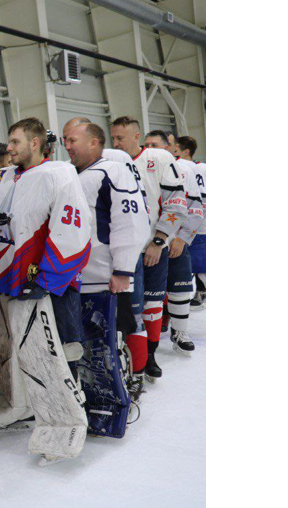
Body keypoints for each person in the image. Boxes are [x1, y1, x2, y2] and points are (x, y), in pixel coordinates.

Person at [0, 117, 92, 465]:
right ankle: (20, 404)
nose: (9, 148)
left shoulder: (59, 174)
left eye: (16, 141)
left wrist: (46, 278)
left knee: (57, 353)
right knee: (16, 352)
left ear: (35, 143)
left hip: (47, 286)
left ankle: (67, 422)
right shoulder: (4, 177)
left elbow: (72, 228)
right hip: (7, 282)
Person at [64, 121, 151, 400]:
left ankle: (119, 395)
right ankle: (93, 398)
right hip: (76, 278)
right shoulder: (72, 175)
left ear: (94, 142)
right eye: (64, 140)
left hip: (106, 277)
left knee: (111, 342)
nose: (67, 145)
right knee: (86, 347)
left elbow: (131, 222)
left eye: (73, 139)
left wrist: (123, 269)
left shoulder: (112, 171)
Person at [110, 117, 188, 382]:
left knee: (153, 303)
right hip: (124, 252)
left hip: (152, 247)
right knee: (130, 309)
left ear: (136, 136)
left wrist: (158, 241)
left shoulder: (158, 158)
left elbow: (176, 202)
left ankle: (150, 355)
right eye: (113, 138)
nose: (116, 143)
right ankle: (131, 360)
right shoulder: (111, 162)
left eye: (121, 138)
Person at [143, 132, 205, 355]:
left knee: (179, 289)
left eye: (156, 145)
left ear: (171, 148)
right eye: (147, 145)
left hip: (174, 241)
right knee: (151, 295)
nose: (151, 149)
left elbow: (196, 207)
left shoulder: (184, 169)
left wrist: (181, 238)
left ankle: (180, 332)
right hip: (147, 243)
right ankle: (147, 343)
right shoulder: (136, 166)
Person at [172, 137, 207, 309]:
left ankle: (201, 291)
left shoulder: (198, 168)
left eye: (177, 148)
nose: (173, 151)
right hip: (187, 221)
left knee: (199, 262)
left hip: (198, 222)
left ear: (186, 151)